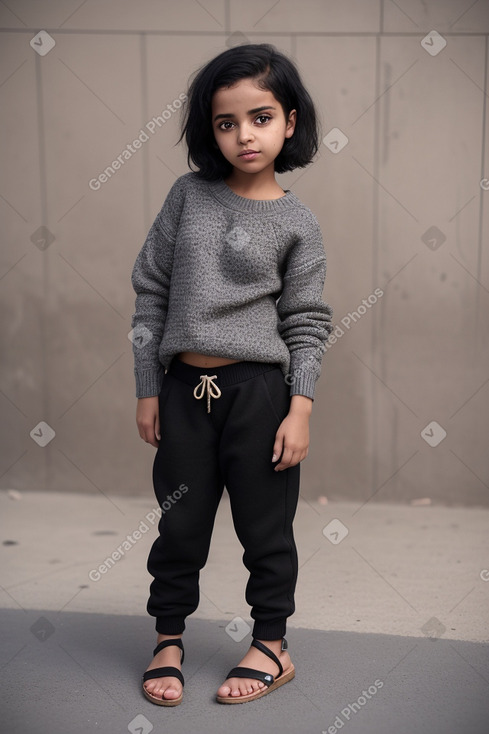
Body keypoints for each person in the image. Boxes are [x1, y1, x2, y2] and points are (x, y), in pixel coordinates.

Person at [130, 42, 334, 706]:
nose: (243, 134)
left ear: (290, 122)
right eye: (225, 122)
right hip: (185, 392)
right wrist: (146, 387)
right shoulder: (186, 197)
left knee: (263, 526)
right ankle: (168, 639)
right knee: (179, 524)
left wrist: (299, 406)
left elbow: (305, 320)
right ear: (208, 129)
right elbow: (151, 295)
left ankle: (271, 645)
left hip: (260, 397)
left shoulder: (296, 223)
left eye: (260, 116)